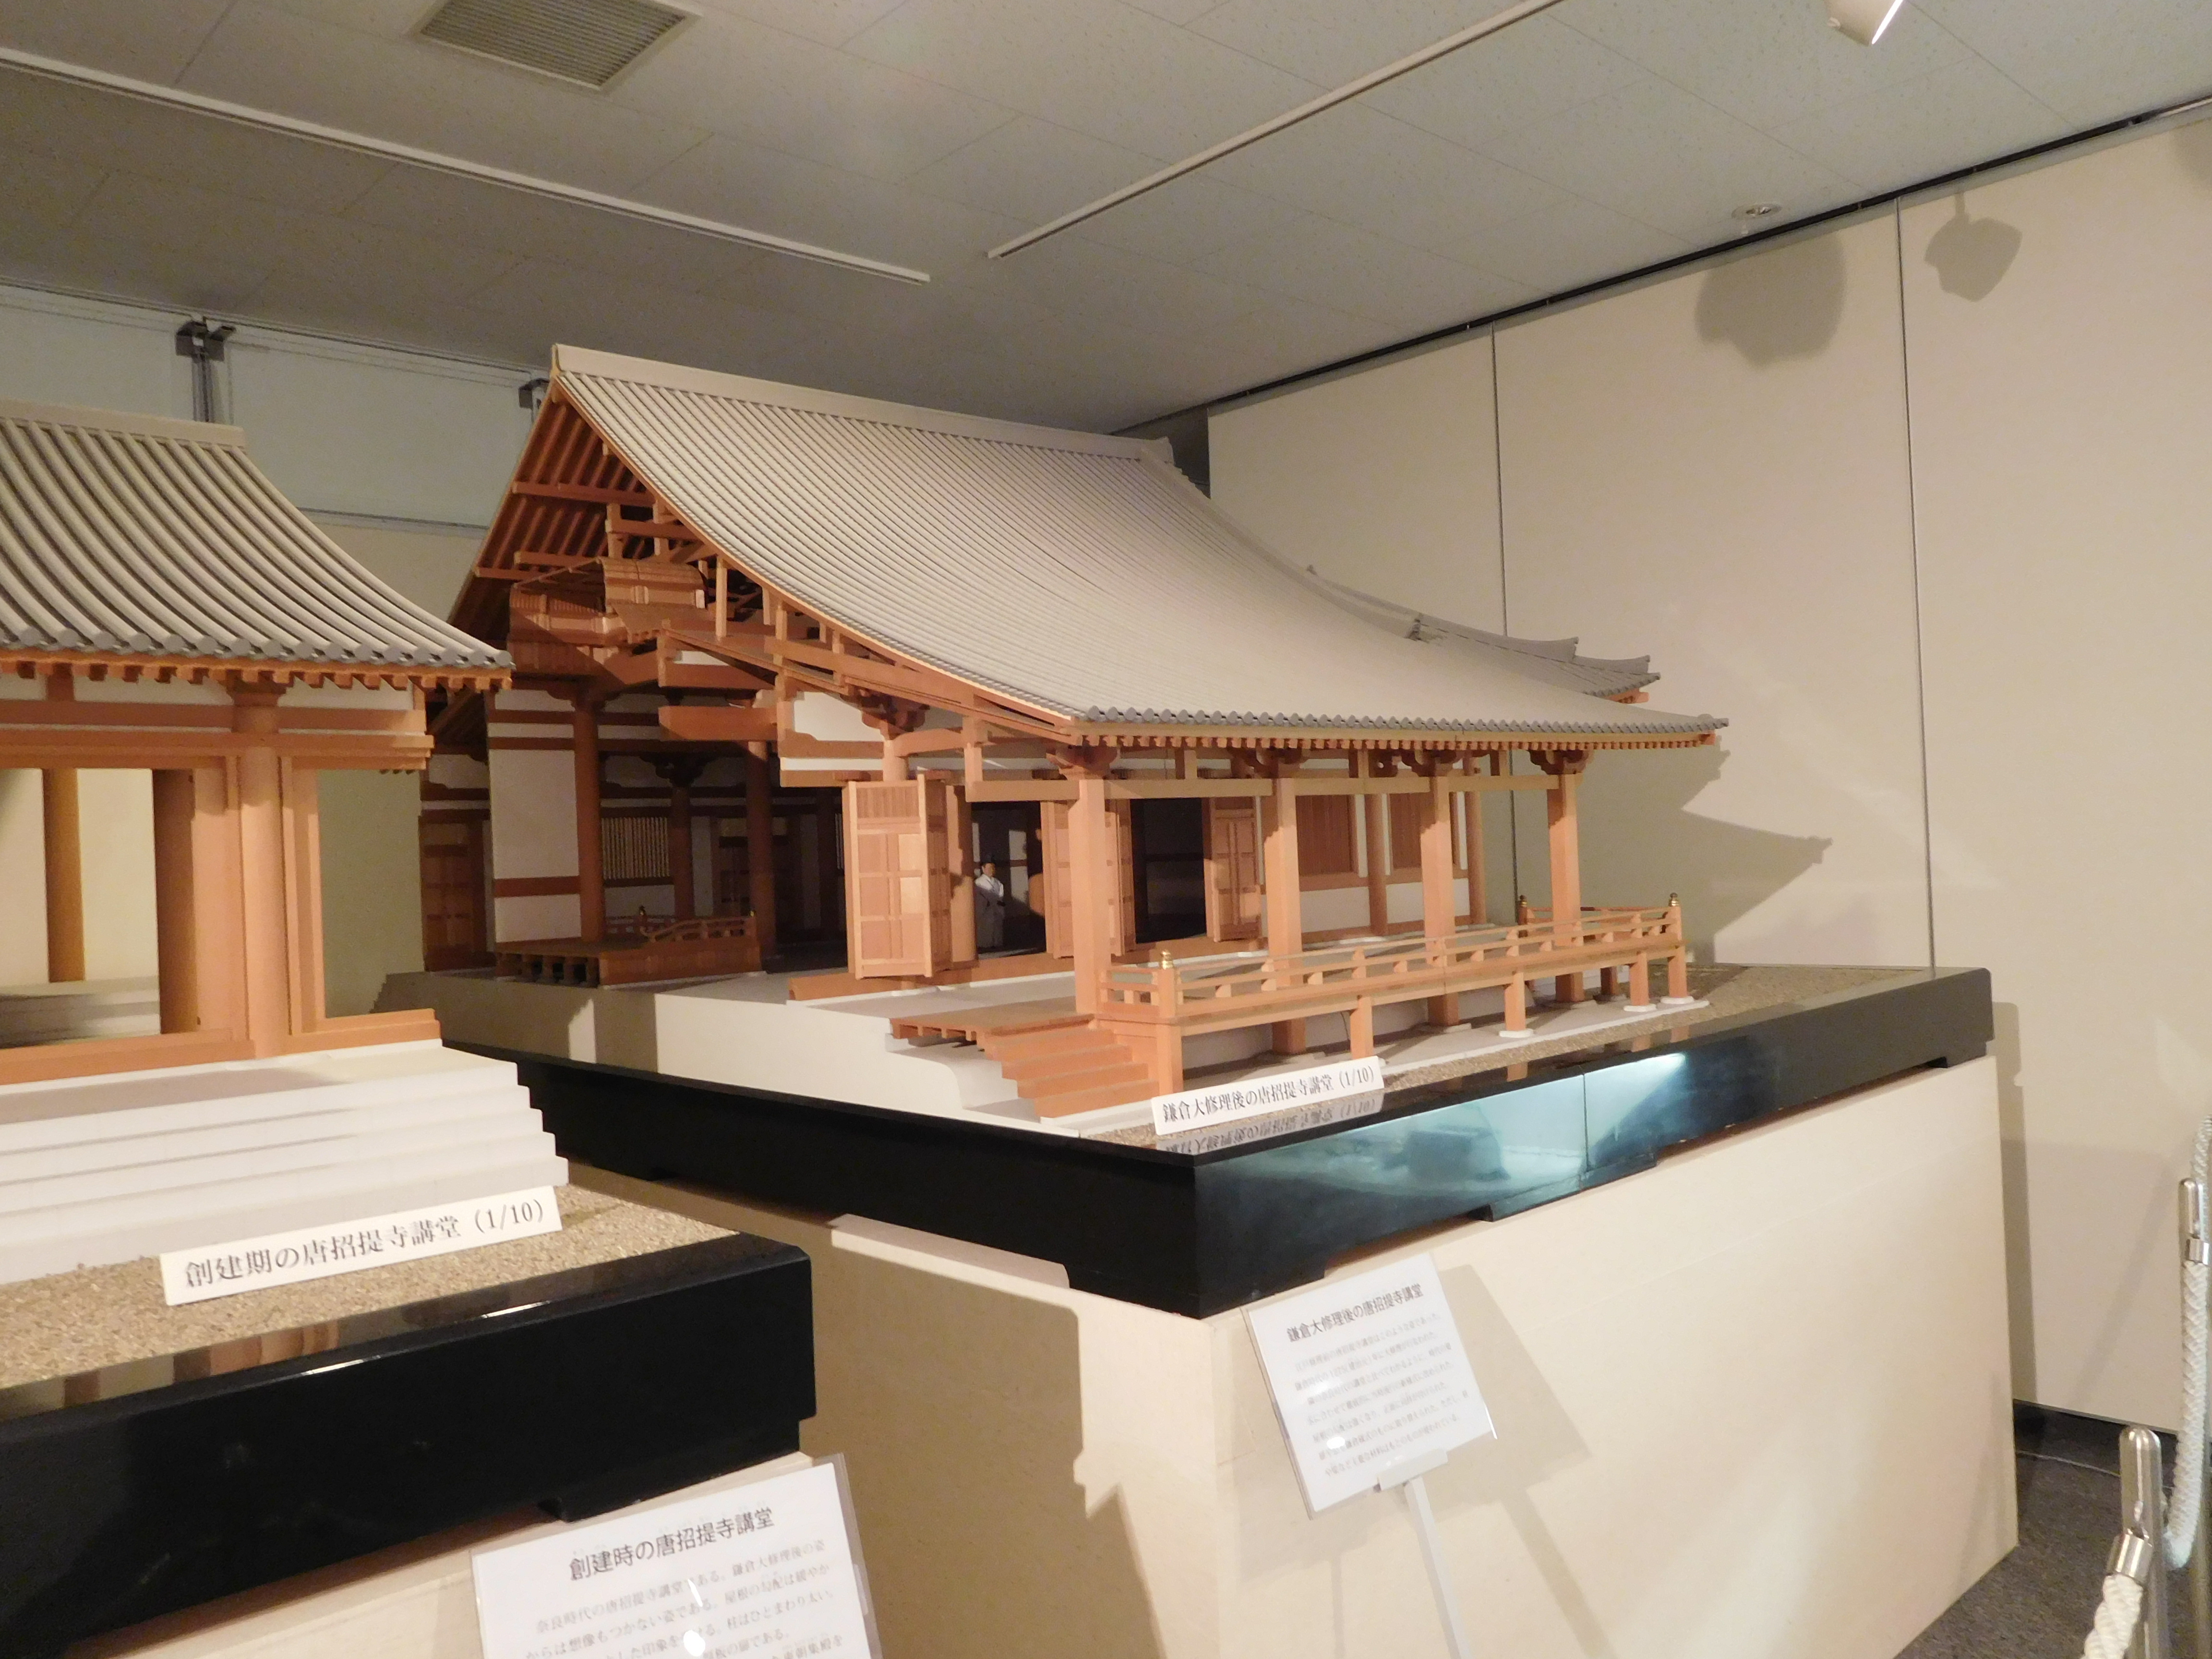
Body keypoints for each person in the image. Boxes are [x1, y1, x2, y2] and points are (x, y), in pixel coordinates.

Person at [974, 859, 1006, 951]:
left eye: (993, 868)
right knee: (986, 928)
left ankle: (997, 944)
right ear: (983, 869)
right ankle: (985, 946)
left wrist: (999, 902)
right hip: (986, 909)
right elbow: (989, 895)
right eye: (989, 868)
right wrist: (994, 901)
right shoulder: (979, 882)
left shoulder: (997, 882)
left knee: (997, 928)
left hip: (996, 909)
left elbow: (1000, 895)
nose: (991, 870)